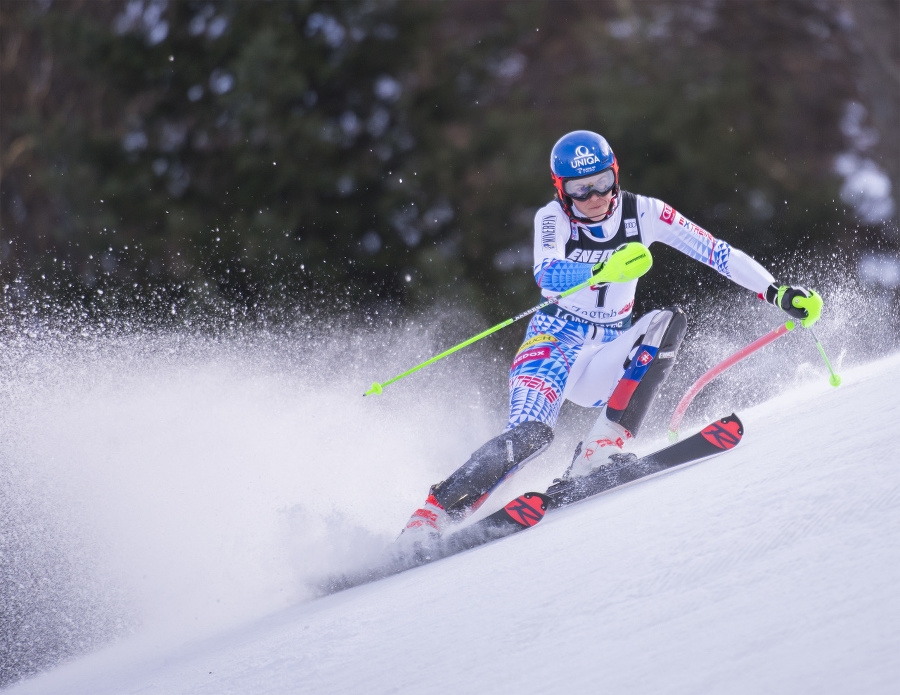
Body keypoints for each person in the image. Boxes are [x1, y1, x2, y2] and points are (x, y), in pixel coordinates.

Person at [401, 129, 822, 542]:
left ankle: (599, 450)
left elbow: (714, 251)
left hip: (606, 350)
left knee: (666, 321)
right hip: (552, 345)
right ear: (561, 190)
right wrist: (600, 270)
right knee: (531, 435)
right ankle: (431, 516)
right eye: (580, 190)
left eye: (603, 182)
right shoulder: (552, 218)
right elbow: (547, 275)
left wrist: (776, 291)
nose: (595, 197)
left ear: (615, 173)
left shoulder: (646, 213)